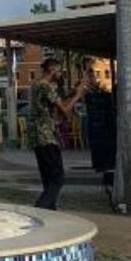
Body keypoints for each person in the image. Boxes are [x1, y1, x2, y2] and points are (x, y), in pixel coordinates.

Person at [26, 56, 88, 211]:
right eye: (59, 71)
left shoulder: (37, 85)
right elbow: (65, 110)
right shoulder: (46, 86)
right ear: (52, 70)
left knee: (48, 178)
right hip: (46, 136)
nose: (61, 74)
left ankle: (50, 211)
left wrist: (73, 92)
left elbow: (57, 104)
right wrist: (77, 96)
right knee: (57, 178)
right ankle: (40, 209)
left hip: (38, 137)